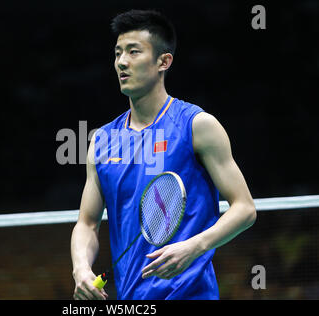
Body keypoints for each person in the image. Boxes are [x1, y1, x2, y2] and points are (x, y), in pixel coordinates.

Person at [70, 9, 256, 300]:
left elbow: (244, 209)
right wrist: (81, 269)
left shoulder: (196, 126)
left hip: (192, 293)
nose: (121, 62)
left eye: (133, 51)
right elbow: (87, 223)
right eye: (118, 52)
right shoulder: (102, 141)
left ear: (163, 61)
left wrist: (195, 246)